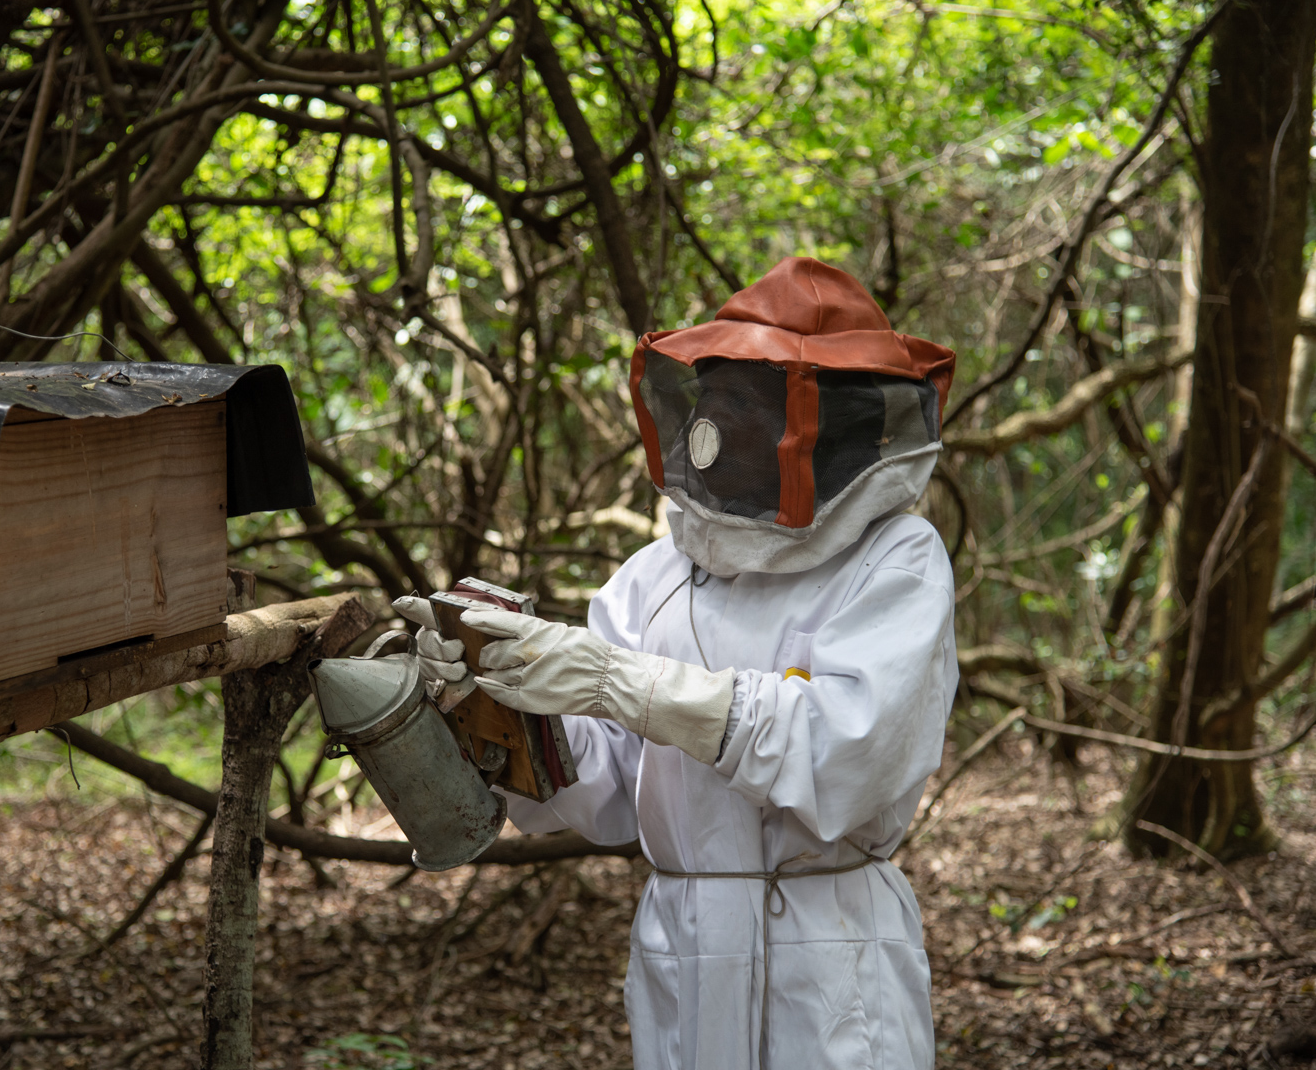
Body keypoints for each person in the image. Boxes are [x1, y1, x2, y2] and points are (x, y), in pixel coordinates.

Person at [394, 257, 958, 1070]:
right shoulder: (655, 576)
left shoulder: (896, 562)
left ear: (819, 424)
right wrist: (494, 704)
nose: (711, 418)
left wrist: (618, 681)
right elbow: (602, 789)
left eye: (743, 398)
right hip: (685, 950)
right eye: (708, 392)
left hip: (830, 956)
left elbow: (845, 753)